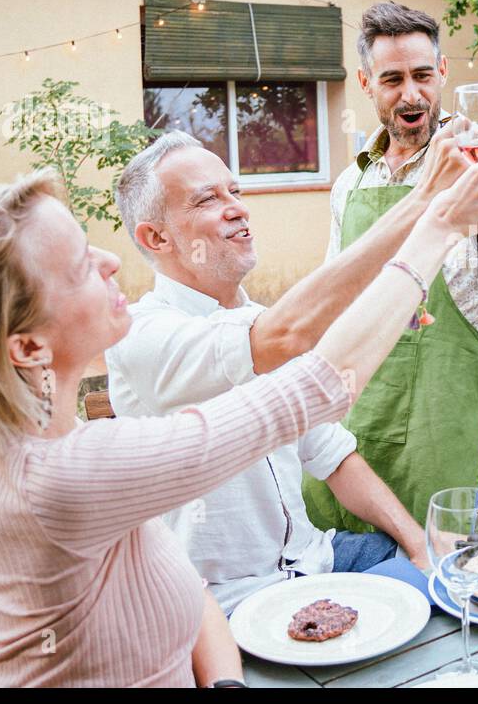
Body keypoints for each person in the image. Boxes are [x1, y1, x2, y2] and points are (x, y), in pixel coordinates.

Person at [0, 159, 478, 686]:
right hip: (256, 606)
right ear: (28, 348)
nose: (110, 262)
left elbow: (183, 581)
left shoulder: (46, 446)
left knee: (467, 588)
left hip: (302, 576)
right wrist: (438, 225)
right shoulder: (67, 474)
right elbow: (318, 385)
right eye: (76, 266)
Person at [107, 130, 456, 615]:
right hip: (227, 600)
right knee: (412, 619)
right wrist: (424, 204)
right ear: (156, 237)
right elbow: (282, 337)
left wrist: (419, 544)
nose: (237, 208)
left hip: (318, 562)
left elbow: (332, 455)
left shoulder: (263, 321)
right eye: (207, 199)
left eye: (236, 192)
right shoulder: (142, 334)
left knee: (457, 575)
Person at [308, 1, 478, 529]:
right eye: (392, 80)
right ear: (366, 84)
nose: (411, 94)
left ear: (443, 74)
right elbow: (336, 298)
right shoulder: (351, 183)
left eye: (422, 75)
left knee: (448, 563)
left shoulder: (476, 152)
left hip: (448, 405)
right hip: (362, 399)